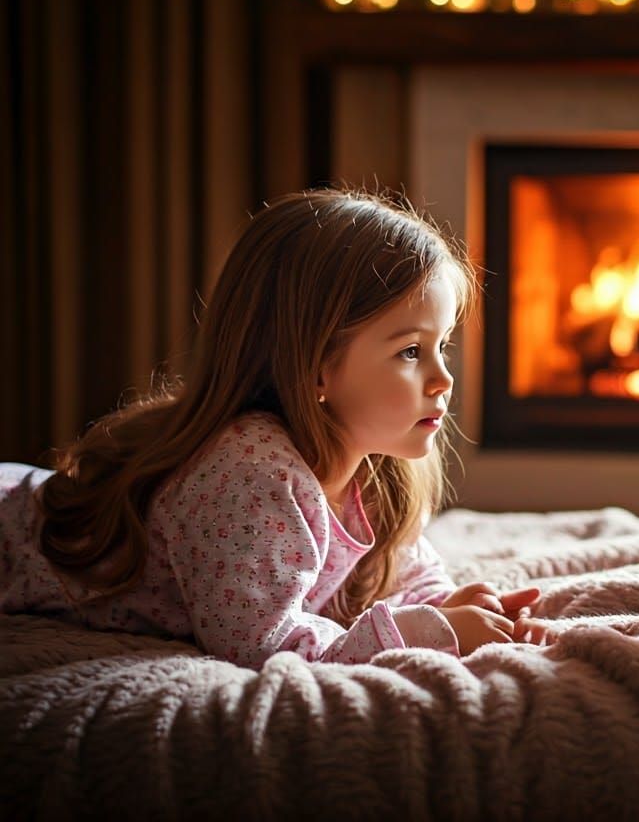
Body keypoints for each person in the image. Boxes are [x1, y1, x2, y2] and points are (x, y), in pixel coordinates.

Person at [0, 187, 550, 668]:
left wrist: (453, 609)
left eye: (442, 346)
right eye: (410, 351)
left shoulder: (377, 469)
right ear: (315, 366)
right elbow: (257, 643)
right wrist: (422, 634)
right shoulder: (250, 472)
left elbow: (407, 572)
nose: (444, 379)